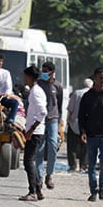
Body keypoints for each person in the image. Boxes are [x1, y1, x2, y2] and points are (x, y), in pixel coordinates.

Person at [78, 68, 103, 201]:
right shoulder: (87, 96)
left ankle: (102, 188)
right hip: (91, 135)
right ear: (95, 78)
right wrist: (82, 131)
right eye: (101, 78)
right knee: (91, 164)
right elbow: (81, 116)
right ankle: (93, 191)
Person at [19, 66, 47, 202]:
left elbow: (43, 112)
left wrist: (31, 129)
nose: (24, 79)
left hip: (35, 132)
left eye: (25, 76)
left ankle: (33, 191)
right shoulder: (35, 91)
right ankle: (38, 190)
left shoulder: (36, 92)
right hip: (34, 130)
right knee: (30, 160)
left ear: (30, 77)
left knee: (28, 161)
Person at [35, 61, 63, 190]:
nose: (44, 73)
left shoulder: (57, 86)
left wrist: (60, 124)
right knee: (39, 149)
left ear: (52, 72)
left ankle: (49, 174)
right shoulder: (39, 85)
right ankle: (39, 177)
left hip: (53, 119)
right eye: (43, 70)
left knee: (52, 145)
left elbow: (60, 104)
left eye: (46, 71)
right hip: (41, 119)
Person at [66, 78, 92, 173]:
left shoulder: (76, 93)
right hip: (88, 124)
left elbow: (70, 109)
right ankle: (83, 165)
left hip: (74, 122)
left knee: (72, 146)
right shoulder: (93, 94)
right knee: (85, 146)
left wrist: (68, 119)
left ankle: (73, 165)